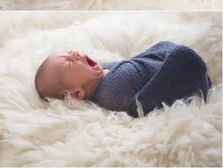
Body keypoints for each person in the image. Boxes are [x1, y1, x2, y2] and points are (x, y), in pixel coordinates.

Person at [35, 41, 212, 118]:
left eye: (69, 52)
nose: (74, 54)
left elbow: (138, 62)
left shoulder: (99, 74)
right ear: (76, 93)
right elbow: (143, 101)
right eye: (69, 63)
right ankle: (189, 69)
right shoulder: (112, 93)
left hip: (155, 65)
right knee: (181, 56)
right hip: (178, 80)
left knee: (162, 47)